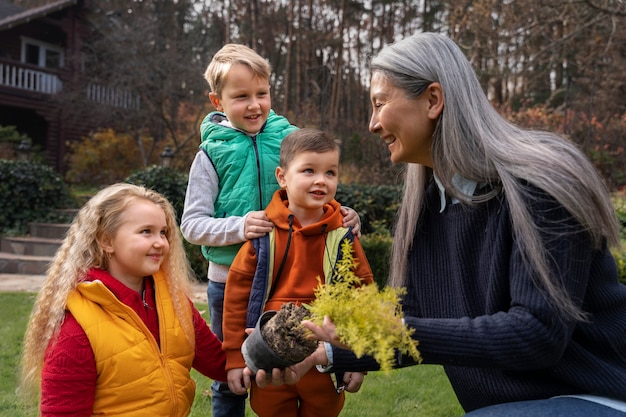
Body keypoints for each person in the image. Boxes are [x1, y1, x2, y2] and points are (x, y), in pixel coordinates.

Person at [252, 32, 626, 417]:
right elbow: (415, 327)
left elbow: (537, 334)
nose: (372, 124)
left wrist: (401, 330)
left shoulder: (538, 184)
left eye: (380, 103)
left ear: (433, 99)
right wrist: (322, 353)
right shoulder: (430, 211)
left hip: (596, 398)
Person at [180, 43, 361, 417]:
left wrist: (343, 213)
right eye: (241, 96)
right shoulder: (211, 153)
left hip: (284, 278)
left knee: (285, 368)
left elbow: (314, 185)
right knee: (232, 374)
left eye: (261, 94)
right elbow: (191, 225)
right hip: (228, 279)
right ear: (217, 100)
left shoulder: (288, 138)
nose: (254, 105)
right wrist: (240, 226)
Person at [19, 183, 227, 416]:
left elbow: (219, 363)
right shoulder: (76, 326)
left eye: (164, 232)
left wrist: (263, 349)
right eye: (146, 231)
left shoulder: (172, 300)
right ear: (106, 241)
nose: (160, 242)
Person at [221, 128, 373, 417]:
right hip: (270, 349)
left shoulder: (343, 236)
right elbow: (236, 297)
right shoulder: (263, 234)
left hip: (323, 357)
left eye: (331, 173)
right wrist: (233, 358)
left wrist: (357, 358)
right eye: (308, 170)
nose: (321, 180)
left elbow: (362, 297)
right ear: (282, 176)